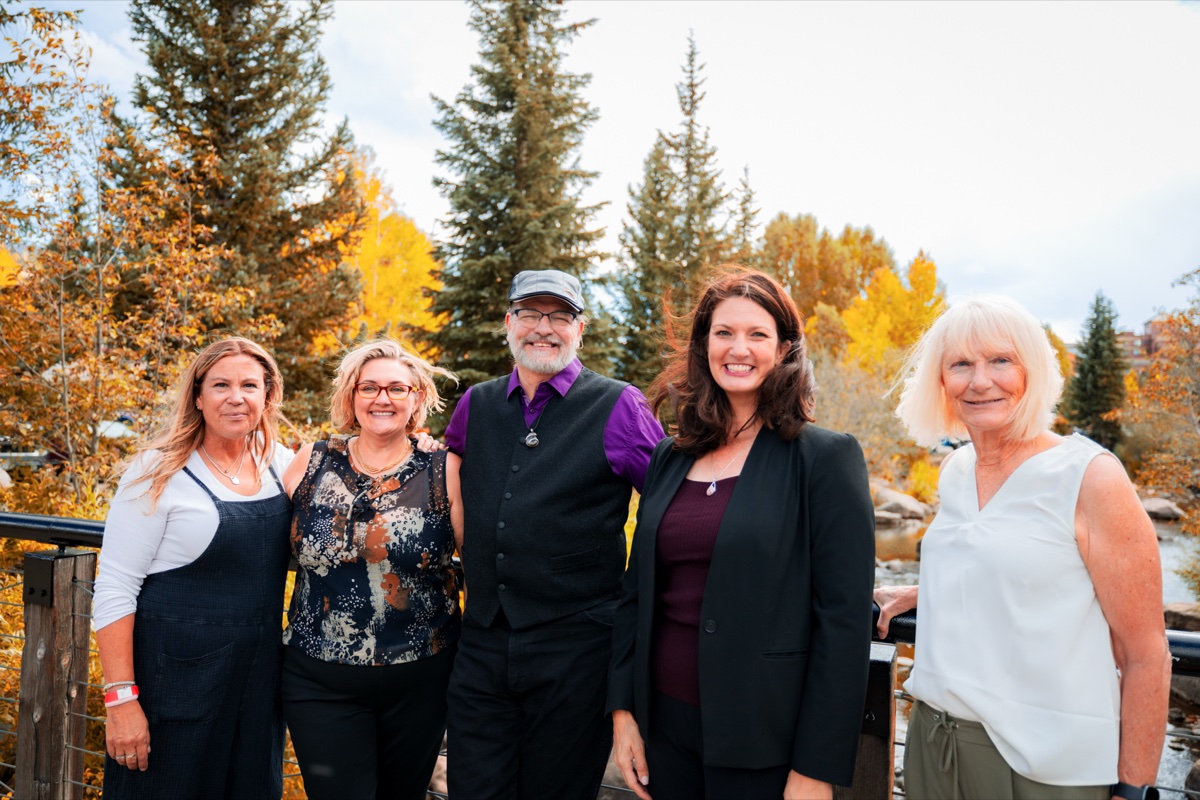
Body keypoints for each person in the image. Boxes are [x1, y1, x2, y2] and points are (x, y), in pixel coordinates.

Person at [874, 296, 1170, 800]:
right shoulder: (955, 471)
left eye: (1001, 360)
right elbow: (1004, 562)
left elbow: (1145, 654)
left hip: (1047, 769)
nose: (980, 380)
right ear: (940, 382)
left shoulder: (1090, 476)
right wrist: (929, 590)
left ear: (1032, 371)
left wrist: (1133, 788)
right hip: (933, 747)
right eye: (961, 364)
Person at [608, 267, 877, 800]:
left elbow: (843, 624)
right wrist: (623, 713)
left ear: (784, 349)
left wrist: (814, 767)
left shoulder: (825, 458)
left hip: (767, 742)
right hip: (664, 729)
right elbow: (636, 594)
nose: (739, 348)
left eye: (758, 334)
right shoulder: (670, 456)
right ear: (704, 344)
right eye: (724, 332)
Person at [443, 268, 665, 800]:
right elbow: (443, 483)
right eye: (530, 313)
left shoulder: (618, 405)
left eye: (560, 315)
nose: (544, 327)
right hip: (483, 641)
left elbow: (669, 502)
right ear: (508, 323)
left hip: (578, 645)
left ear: (580, 329)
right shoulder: (476, 404)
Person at [94, 337, 294, 799]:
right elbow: (115, 587)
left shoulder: (280, 465)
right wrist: (121, 699)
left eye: (250, 385)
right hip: (173, 686)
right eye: (221, 384)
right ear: (198, 396)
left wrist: (417, 442)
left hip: (257, 687)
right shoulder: (157, 471)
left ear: (267, 396)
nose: (236, 397)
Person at [280, 339, 462, 800]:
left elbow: (480, 562)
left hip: (420, 679)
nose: (383, 398)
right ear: (351, 397)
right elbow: (262, 543)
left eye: (397, 388)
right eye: (370, 388)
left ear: (417, 397)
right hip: (319, 678)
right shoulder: (312, 461)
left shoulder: (445, 469)